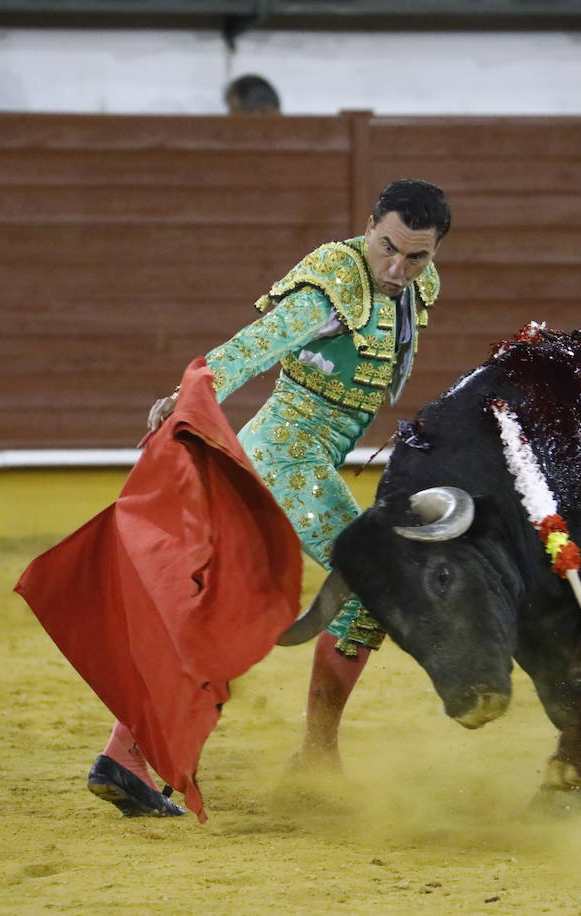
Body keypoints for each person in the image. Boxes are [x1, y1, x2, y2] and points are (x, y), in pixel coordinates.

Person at [87, 178, 452, 817]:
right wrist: (192, 396)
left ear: (434, 253)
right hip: (288, 461)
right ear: (369, 226)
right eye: (388, 247)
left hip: (291, 463)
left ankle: (125, 757)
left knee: (229, 610)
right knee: (371, 588)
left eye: (416, 256)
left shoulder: (420, 288)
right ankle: (316, 758)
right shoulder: (332, 285)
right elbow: (259, 345)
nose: (398, 268)